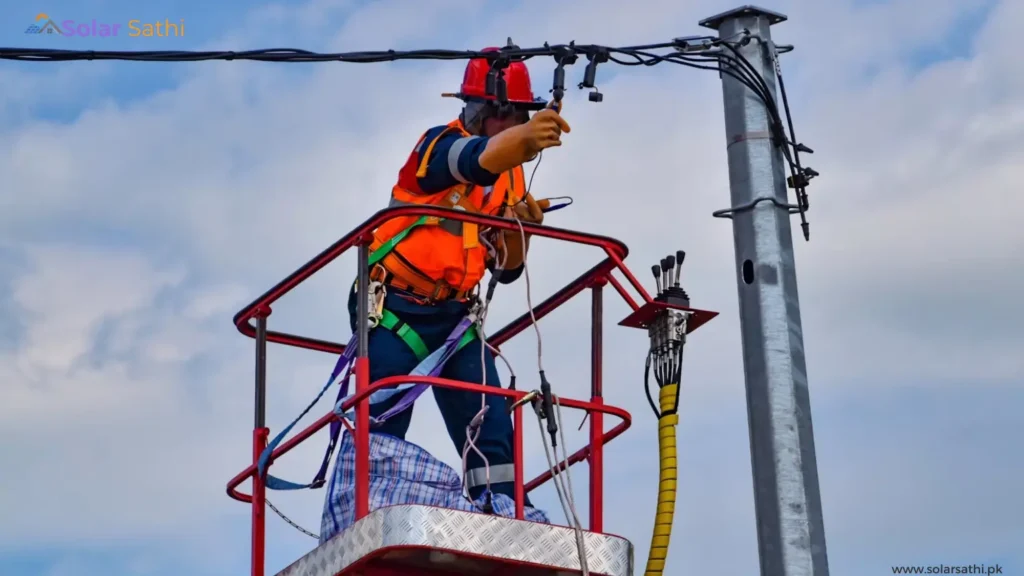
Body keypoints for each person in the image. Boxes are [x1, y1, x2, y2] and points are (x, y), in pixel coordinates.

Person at [345, 48, 570, 510]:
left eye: (520, 116)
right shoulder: (434, 148)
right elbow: (472, 160)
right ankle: (367, 513)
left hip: (455, 317)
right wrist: (526, 140)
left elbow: (508, 273)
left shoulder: (509, 181)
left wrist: (521, 232)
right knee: (382, 414)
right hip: (395, 309)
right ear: (485, 112)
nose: (514, 124)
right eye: (508, 115)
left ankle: (503, 514)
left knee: (489, 420)